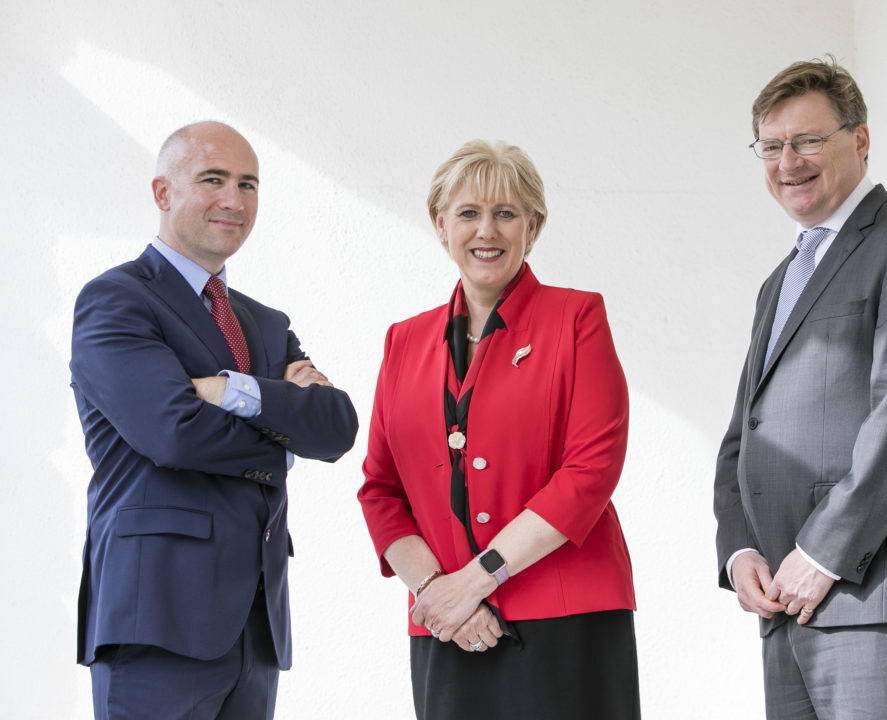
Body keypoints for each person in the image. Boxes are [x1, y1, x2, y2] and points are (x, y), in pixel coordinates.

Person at [714, 57, 887, 719]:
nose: (788, 162)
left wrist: (823, 552)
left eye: (808, 140)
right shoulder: (782, 280)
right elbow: (744, 433)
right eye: (771, 146)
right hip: (786, 604)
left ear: (860, 140)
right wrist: (740, 548)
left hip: (882, 600)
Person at [71, 120, 359, 719]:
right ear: (163, 192)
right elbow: (173, 432)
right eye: (213, 179)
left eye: (248, 184)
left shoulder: (266, 324)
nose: (234, 199)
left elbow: (335, 428)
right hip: (157, 619)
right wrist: (283, 436)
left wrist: (232, 392)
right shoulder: (117, 300)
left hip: (256, 626)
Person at [358, 140, 639, 719]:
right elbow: (381, 491)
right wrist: (436, 591)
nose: (486, 230)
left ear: (532, 227)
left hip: (565, 617)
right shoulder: (403, 341)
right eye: (468, 213)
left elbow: (591, 470)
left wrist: (475, 581)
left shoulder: (577, 318)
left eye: (505, 213)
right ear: (441, 225)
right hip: (447, 624)